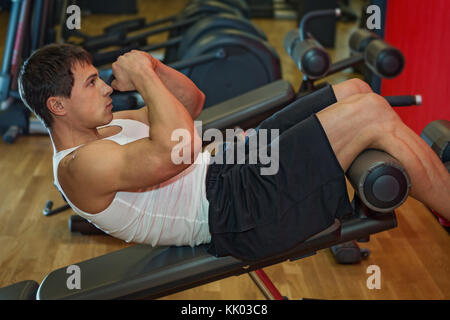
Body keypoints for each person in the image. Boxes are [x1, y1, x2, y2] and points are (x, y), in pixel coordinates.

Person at [18, 44, 449, 261]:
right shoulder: (80, 167)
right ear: (57, 106)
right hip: (234, 211)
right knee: (371, 113)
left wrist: (152, 66)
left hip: (231, 167)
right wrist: (145, 80)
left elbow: (190, 104)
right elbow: (176, 152)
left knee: (353, 89)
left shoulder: (106, 126)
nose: (107, 87)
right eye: (92, 83)